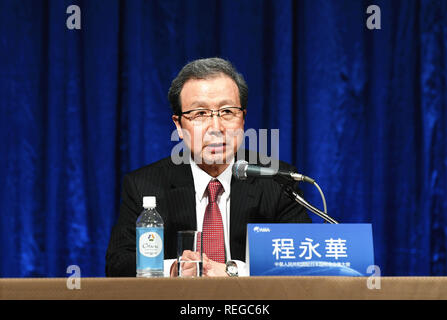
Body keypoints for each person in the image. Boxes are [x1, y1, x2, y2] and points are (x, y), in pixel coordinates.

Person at [105, 57, 311, 277]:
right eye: (200, 114)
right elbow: (119, 264)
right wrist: (175, 269)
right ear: (179, 125)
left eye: (227, 112)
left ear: (243, 119)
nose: (216, 127)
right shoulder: (144, 185)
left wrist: (232, 271)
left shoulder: (275, 179)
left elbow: (303, 261)